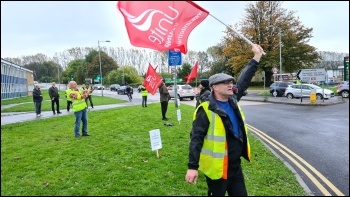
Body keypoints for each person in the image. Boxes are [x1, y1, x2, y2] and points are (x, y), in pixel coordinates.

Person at [185, 44, 264, 196]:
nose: (231, 85)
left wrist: (256, 57)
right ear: (214, 87)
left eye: (231, 82)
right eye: (226, 83)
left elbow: (244, 80)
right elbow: (196, 139)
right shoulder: (206, 110)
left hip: (235, 166)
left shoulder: (233, 101)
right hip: (217, 170)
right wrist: (192, 166)